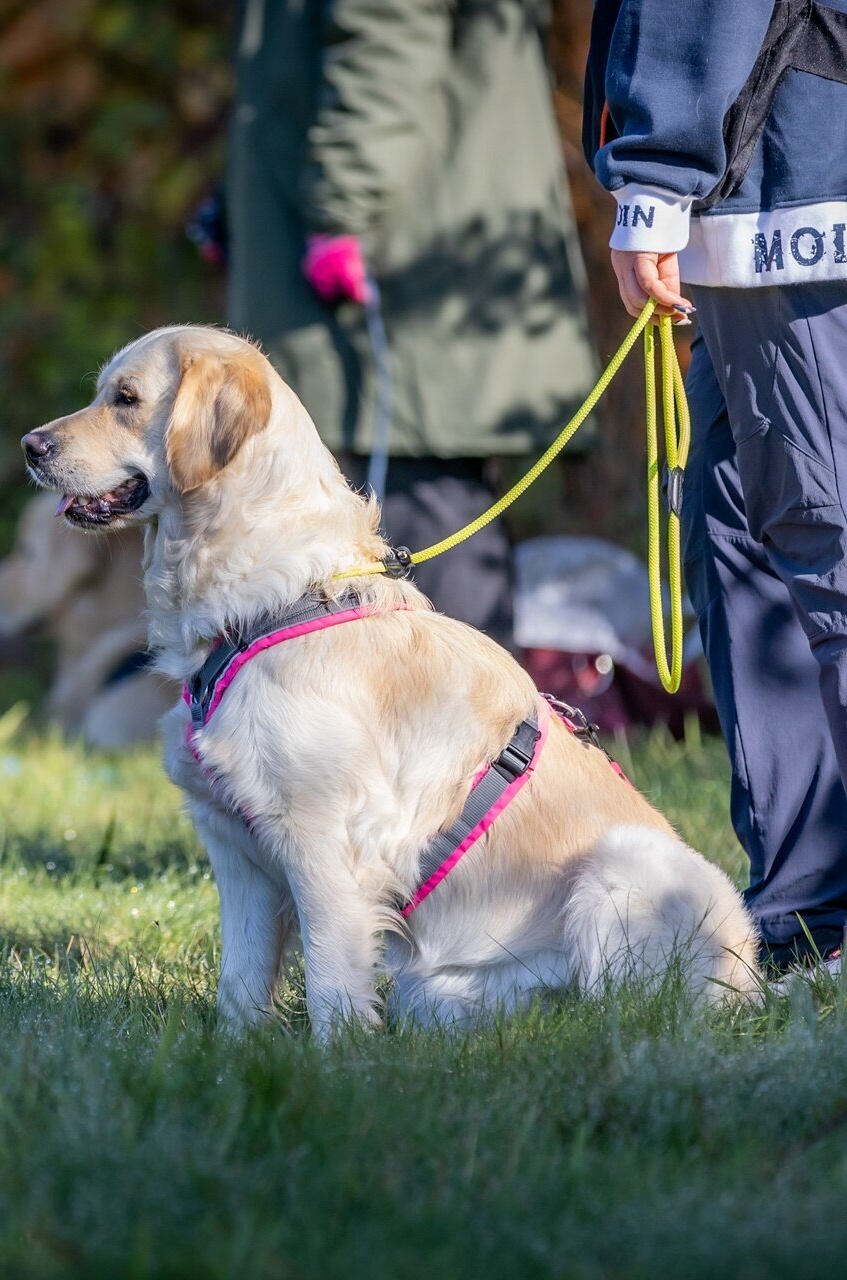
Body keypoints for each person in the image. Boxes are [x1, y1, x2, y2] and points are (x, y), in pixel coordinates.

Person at [585, 0, 847, 974]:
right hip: (781, 169)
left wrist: (652, 176)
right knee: (733, 521)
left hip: (798, 175)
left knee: (825, 540)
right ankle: (802, 914)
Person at [225, 0, 597, 647]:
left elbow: (387, 41)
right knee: (420, 492)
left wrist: (344, 207)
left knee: (422, 504)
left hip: (407, 246)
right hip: (418, 228)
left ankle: (476, 740)